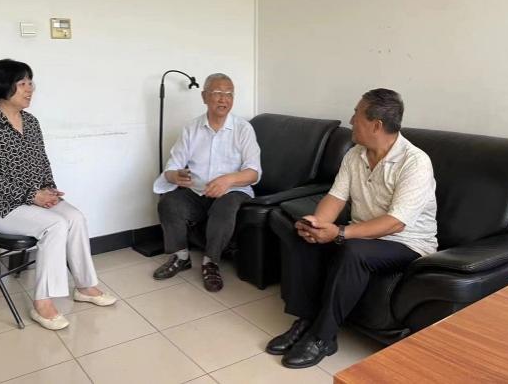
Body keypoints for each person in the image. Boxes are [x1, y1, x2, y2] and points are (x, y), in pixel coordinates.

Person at [266, 88, 437, 368]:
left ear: (376, 125)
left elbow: (396, 222)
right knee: (303, 236)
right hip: (363, 234)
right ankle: (306, 320)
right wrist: (317, 225)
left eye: (356, 114)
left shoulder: (415, 162)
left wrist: (340, 233)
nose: (351, 120)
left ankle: (323, 337)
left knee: (353, 251)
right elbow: (335, 197)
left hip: (407, 242)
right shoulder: (355, 154)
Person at [0, 59, 116, 331]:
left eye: (30, 82)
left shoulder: (31, 122)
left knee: (75, 217)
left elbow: (42, 163)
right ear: (4, 86)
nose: (30, 89)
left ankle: (85, 286)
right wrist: (31, 196)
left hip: (33, 198)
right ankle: (43, 303)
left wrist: (49, 190)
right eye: (22, 83)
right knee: (55, 225)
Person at [152, 73, 261, 292]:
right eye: (218, 93)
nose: (224, 99)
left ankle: (211, 262)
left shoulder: (243, 129)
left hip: (233, 191)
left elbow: (254, 173)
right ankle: (181, 257)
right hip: (197, 190)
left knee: (225, 206)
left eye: (229, 94)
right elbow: (172, 166)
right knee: (169, 202)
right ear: (204, 96)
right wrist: (175, 176)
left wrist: (228, 180)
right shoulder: (191, 128)